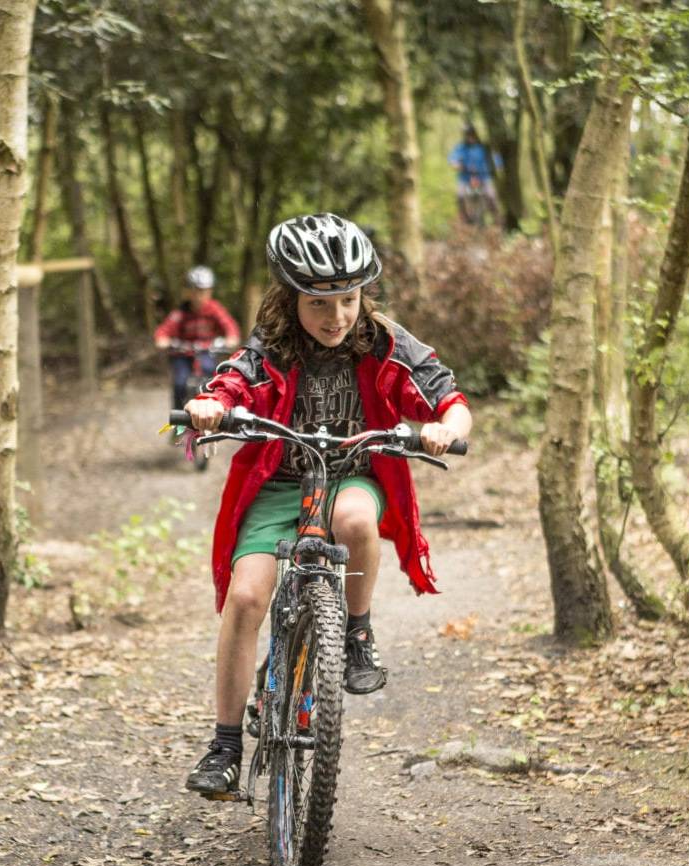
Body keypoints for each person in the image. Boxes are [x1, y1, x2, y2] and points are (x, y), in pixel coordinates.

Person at [181, 213, 472, 798]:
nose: (336, 317)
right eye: (318, 304)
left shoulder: (384, 340)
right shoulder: (274, 346)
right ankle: (225, 745)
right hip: (279, 483)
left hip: (351, 474)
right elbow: (231, 383)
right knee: (246, 596)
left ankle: (356, 634)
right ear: (289, 301)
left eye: (347, 300)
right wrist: (209, 406)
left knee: (358, 521)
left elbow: (450, 396)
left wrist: (445, 427)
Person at [154, 266, 240, 410]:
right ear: (189, 292)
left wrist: (230, 339)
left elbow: (230, 328)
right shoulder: (181, 312)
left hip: (208, 352)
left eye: (204, 291)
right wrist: (164, 341)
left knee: (212, 379)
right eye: (196, 291)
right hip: (183, 354)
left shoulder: (215, 309)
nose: (200, 296)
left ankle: (215, 414)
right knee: (180, 383)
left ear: (210, 291)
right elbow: (163, 331)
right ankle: (178, 421)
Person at [447, 124, 502, 225]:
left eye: (471, 135)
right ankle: (465, 220)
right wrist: (457, 165)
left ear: (475, 135)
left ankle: (497, 220)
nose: (469, 137)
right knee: (460, 196)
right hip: (465, 179)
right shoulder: (461, 148)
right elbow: (452, 160)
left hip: (484, 178)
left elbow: (497, 162)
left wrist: (494, 167)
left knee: (491, 196)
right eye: (467, 135)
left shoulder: (484, 148)